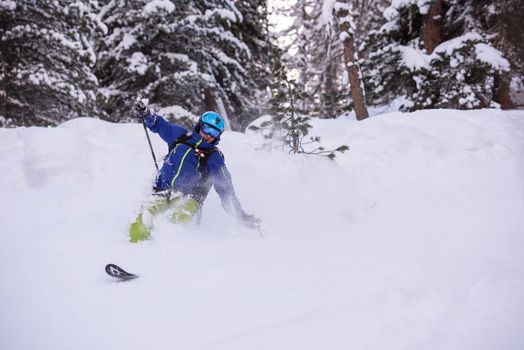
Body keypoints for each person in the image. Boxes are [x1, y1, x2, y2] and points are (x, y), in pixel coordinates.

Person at [129, 100, 261, 242]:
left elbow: (226, 189)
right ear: (199, 126)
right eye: (207, 129)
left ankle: (170, 258)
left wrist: (241, 216)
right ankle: (139, 255)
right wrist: (146, 114)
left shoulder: (214, 157)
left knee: (176, 221)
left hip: (189, 199)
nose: (209, 135)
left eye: (214, 132)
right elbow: (159, 125)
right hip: (161, 191)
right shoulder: (181, 136)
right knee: (140, 223)